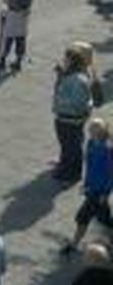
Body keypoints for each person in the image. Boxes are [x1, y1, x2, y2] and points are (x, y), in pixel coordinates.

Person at [52, 42, 100, 185]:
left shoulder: (78, 79)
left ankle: (72, 174)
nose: (63, 61)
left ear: (73, 61)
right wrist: (60, 75)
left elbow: (78, 102)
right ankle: (64, 166)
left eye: (66, 59)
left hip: (70, 118)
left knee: (72, 146)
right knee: (66, 144)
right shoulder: (71, 74)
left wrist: (61, 102)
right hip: (63, 116)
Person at [64, 119, 112, 256]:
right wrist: (85, 184)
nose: (90, 132)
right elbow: (89, 166)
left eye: (94, 130)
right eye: (90, 130)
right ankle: (75, 243)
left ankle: (74, 244)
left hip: (100, 191)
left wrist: (105, 192)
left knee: (83, 217)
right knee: (103, 219)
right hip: (92, 189)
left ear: (102, 132)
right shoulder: (91, 143)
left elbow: (110, 174)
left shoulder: (108, 149)